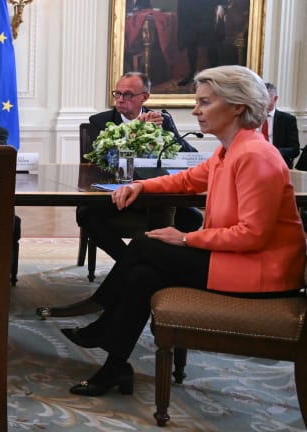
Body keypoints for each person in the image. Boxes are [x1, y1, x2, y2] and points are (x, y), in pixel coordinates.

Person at [60, 65, 305, 397]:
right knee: (144, 272)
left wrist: (187, 238)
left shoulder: (256, 155)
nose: (195, 111)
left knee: (147, 245)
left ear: (237, 107)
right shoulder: (230, 148)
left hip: (264, 272)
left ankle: (101, 325)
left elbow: (252, 235)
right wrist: (141, 186)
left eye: (204, 103)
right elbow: (188, 178)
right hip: (238, 261)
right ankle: (115, 366)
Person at [77, 72, 200, 266]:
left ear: (145, 97)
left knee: (192, 217)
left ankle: (157, 262)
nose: (120, 99)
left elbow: (188, 155)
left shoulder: (163, 120)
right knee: (87, 216)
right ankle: (131, 263)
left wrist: (161, 131)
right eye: (117, 94)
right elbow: (95, 163)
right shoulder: (100, 121)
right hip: (116, 196)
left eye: (127, 95)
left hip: (155, 195)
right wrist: (136, 131)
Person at [262, 82, 300, 168]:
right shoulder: (251, 117)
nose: (261, 101)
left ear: (275, 99)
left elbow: (295, 150)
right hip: (255, 161)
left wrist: (273, 152)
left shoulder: (288, 120)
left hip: (278, 163)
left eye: (265, 98)